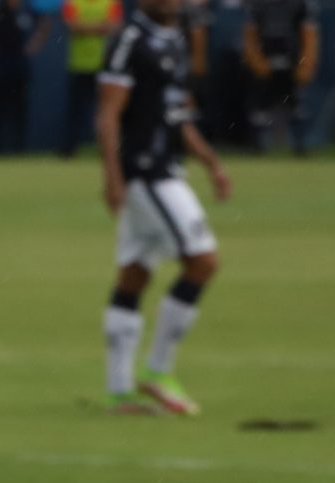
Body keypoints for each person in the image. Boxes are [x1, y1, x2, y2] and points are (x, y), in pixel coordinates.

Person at [97, 0, 232, 416]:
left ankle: (119, 391)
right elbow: (108, 115)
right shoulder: (130, 41)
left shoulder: (176, 40)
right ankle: (157, 370)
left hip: (166, 168)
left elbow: (177, 118)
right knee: (203, 261)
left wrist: (210, 163)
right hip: (146, 173)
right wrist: (113, 177)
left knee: (135, 273)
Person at [0, 0, 50, 154]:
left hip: (20, 67)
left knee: (21, 110)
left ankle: (19, 149)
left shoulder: (27, 10)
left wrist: (34, 44)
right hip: (0, 65)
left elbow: (44, 24)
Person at [243, 0, 320, 152]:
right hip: (265, 62)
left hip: (293, 63)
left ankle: (300, 145)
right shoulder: (258, 4)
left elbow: (309, 34)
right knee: (260, 107)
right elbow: (250, 34)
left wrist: (306, 64)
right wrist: (256, 60)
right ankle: (256, 146)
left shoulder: (301, 4)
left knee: (296, 106)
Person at [59, 0, 118, 155]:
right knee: (75, 110)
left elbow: (114, 26)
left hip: (103, 64)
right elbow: (71, 26)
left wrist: (85, 27)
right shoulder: (73, 2)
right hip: (79, 64)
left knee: (105, 110)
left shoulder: (110, 2)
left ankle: (106, 149)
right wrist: (100, 27)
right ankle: (69, 150)